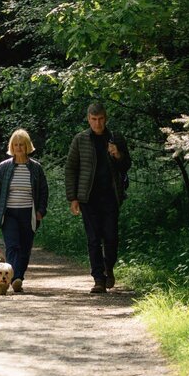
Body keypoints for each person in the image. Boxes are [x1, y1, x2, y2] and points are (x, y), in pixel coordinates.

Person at [64, 103, 132, 294]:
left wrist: (117, 154)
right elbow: (71, 169)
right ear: (88, 119)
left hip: (111, 196)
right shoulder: (80, 139)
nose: (98, 123)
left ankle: (108, 266)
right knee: (93, 239)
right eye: (94, 119)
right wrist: (73, 197)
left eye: (100, 119)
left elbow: (126, 165)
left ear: (106, 118)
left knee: (111, 237)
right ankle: (98, 279)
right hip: (88, 198)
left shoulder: (115, 138)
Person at [0, 129, 49, 293]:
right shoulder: (4, 167)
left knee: (25, 247)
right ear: (11, 147)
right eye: (16, 145)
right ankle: (15, 279)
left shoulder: (36, 168)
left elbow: (43, 191)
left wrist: (41, 210)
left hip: (29, 213)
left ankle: (19, 276)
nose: (19, 148)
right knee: (13, 245)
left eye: (22, 145)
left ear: (27, 146)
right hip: (9, 213)